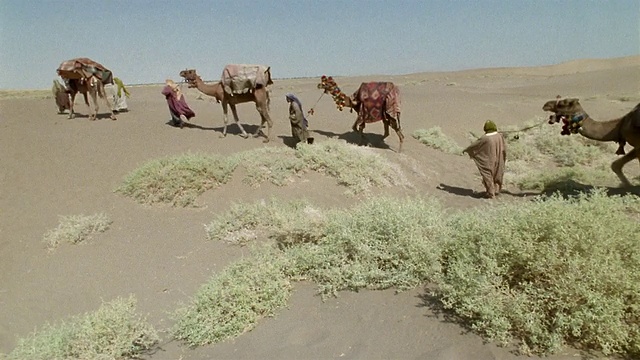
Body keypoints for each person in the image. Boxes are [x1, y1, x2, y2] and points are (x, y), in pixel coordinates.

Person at [462, 120, 507, 199]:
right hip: (499, 159)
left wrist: (466, 150)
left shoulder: (485, 138)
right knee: (498, 173)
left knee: (487, 175)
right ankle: (496, 190)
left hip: (489, 160)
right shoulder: (499, 136)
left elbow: (475, 145)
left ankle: (490, 193)